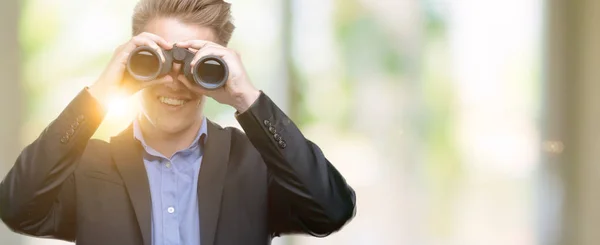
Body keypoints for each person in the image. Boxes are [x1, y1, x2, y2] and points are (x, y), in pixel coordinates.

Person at [0, 0, 356, 244]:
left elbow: (332, 210)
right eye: (158, 59)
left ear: (220, 67)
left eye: (195, 64)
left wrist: (246, 96)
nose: (175, 80)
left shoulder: (254, 164)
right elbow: (17, 208)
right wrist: (100, 93)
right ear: (134, 60)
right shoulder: (88, 167)